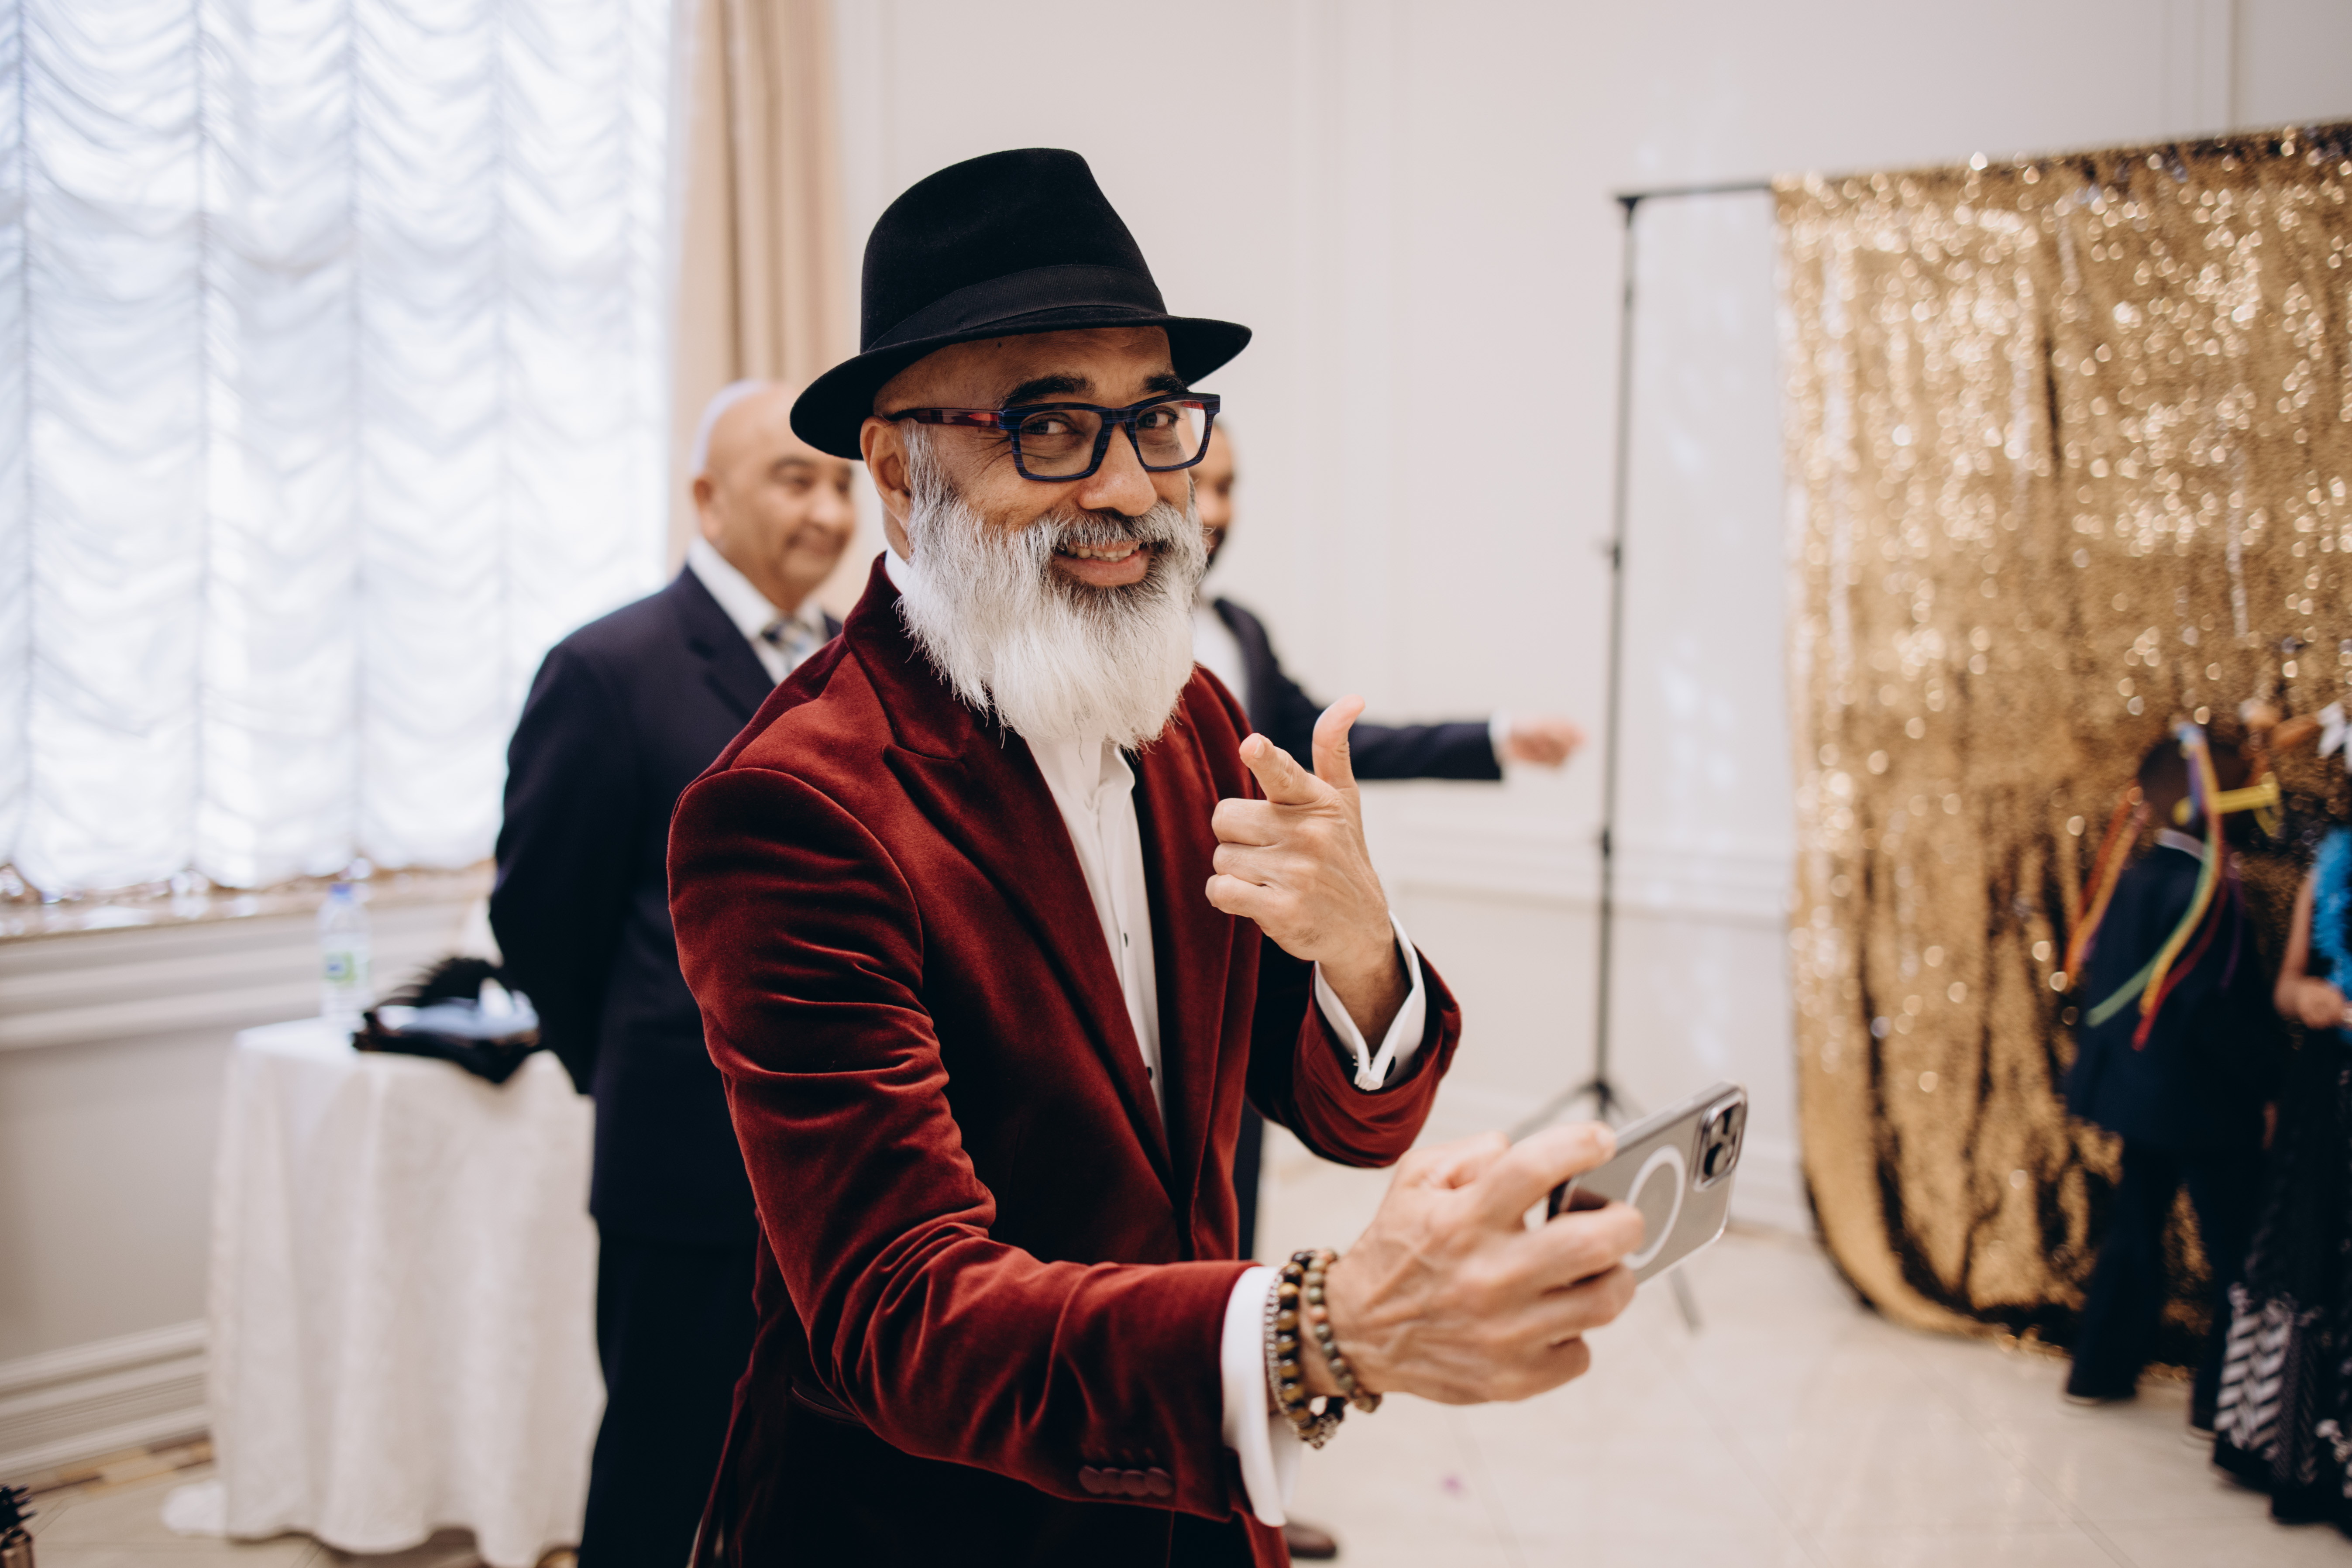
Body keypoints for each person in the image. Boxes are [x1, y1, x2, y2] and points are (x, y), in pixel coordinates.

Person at [666, 148, 1642, 1567]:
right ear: (895, 469)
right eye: (1050, 427)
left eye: (1156, 418)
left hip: (1192, 1509)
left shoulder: (1191, 718)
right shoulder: (795, 807)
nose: (1130, 485)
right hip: (933, 1529)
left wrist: (1359, 955)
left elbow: (1346, 1122)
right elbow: (902, 1313)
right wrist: (1325, 1330)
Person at [489, 381, 857, 1567]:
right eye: (794, 480)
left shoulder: (859, 666)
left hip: (849, 1158)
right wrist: (625, 1057)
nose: (828, 511)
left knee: (823, 1472)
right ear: (707, 499)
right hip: (685, 1159)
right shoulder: (608, 667)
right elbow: (540, 916)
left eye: (840, 482)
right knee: (663, 1469)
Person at [2061, 726, 2285, 1431]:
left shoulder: (2134, 877)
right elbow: (2211, 1008)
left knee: (2134, 1229)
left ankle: (2098, 1368)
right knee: (2236, 1248)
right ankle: (2222, 1401)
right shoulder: (2204, 891)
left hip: (2140, 1099)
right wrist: (2269, 1084)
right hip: (2202, 1106)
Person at [1190, 425, 1583, 783]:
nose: (1214, 511)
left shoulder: (1243, 630)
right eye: (1192, 485)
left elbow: (1331, 740)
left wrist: (1500, 736)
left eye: (1225, 489)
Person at [2214, 824, 2352, 1531]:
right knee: (2311, 1259)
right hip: (2326, 1097)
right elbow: (2285, 986)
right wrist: (2307, 999)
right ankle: (2303, 1455)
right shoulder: (2331, 865)